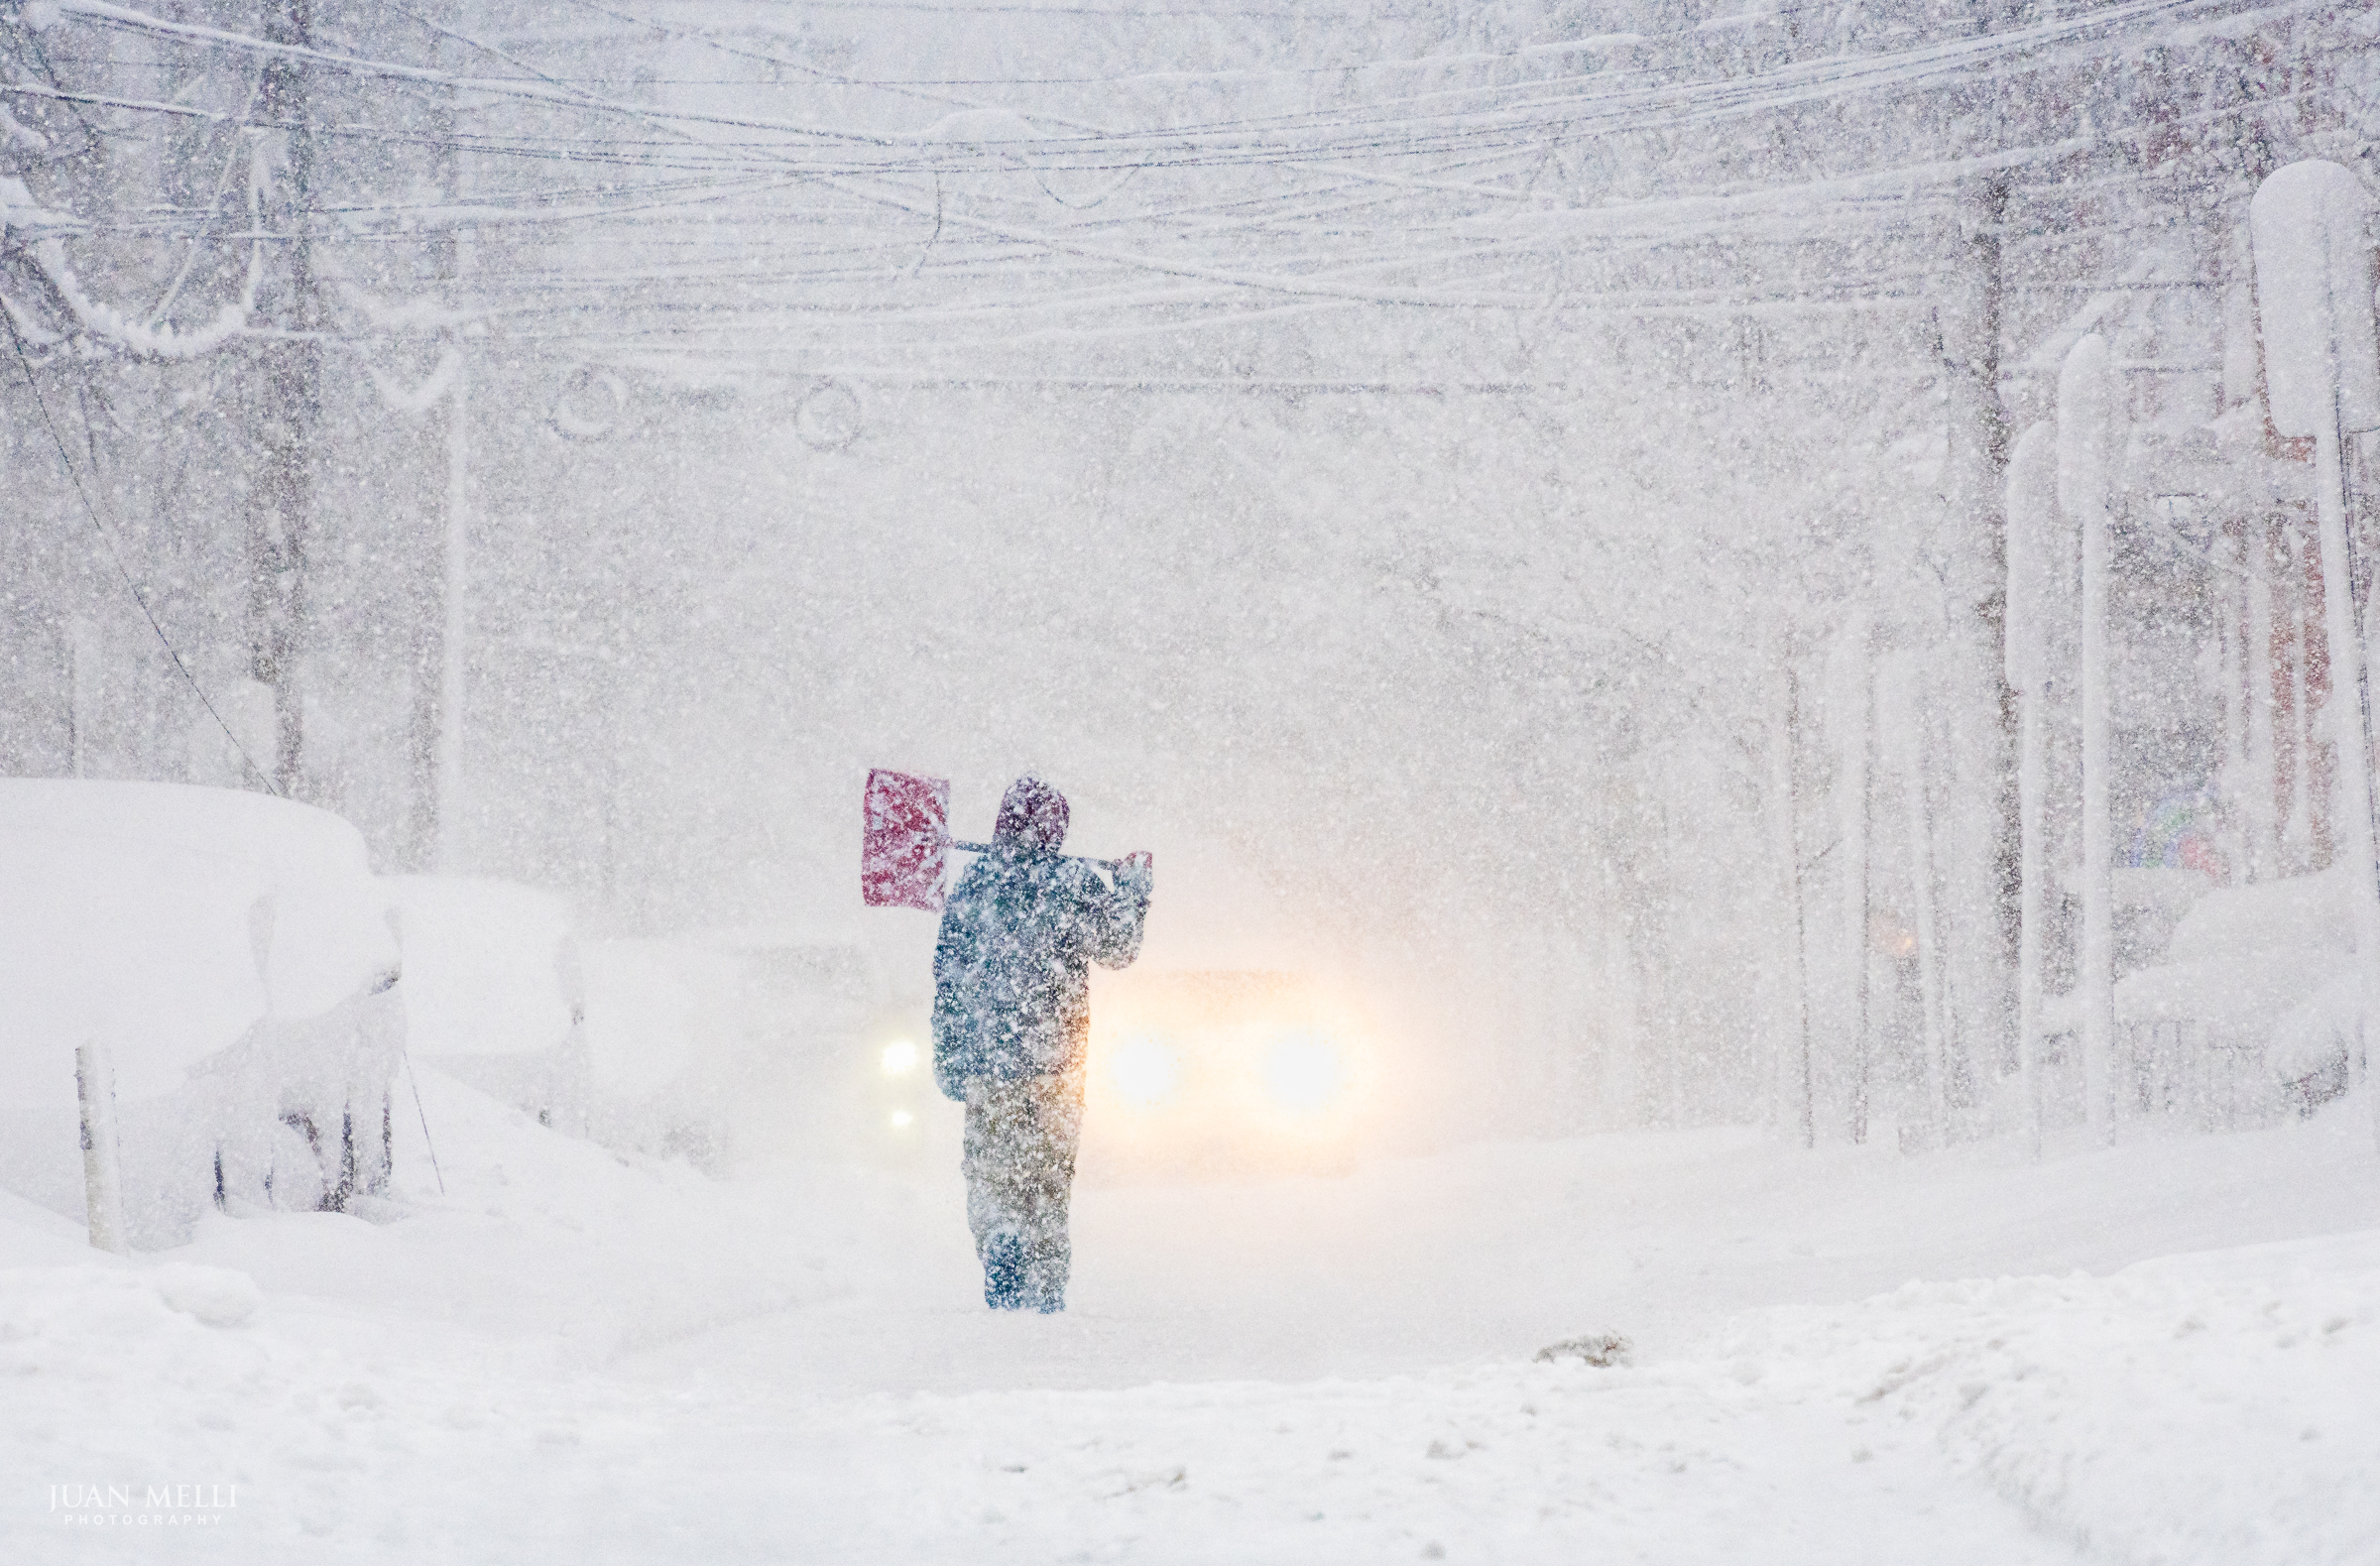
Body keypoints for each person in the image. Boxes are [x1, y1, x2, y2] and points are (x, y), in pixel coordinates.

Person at [932, 776, 1152, 1312]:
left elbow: (950, 980)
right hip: (1056, 1062)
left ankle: (1001, 1239)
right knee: (1049, 1175)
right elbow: (1118, 948)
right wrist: (1131, 892)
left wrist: (948, 1055)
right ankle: (1047, 1275)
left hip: (989, 1061)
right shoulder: (1073, 882)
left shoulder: (975, 884)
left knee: (990, 1168)